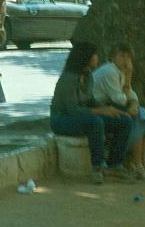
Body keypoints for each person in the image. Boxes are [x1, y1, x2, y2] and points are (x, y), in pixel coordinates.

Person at [50, 42, 133, 184]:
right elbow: (73, 110)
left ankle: (115, 165)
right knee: (96, 122)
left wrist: (111, 110)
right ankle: (98, 168)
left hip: (82, 116)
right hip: (63, 120)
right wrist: (101, 111)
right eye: (94, 55)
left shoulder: (88, 75)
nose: (97, 58)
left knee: (124, 120)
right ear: (85, 57)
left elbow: (90, 101)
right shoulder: (68, 79)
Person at [92, 42, 145, 180]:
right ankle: (138, 164)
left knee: (141, 113)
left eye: (128, 57)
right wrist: (129, 77)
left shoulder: (119, 71)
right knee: (139, 116)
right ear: (113, 57)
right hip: (98, 109)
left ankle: (141, 162)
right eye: (122, 56)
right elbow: (119, 99)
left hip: (108, 106)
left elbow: (130, 95)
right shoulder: (110, 71)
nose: (125, 60)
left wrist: (134, 103)